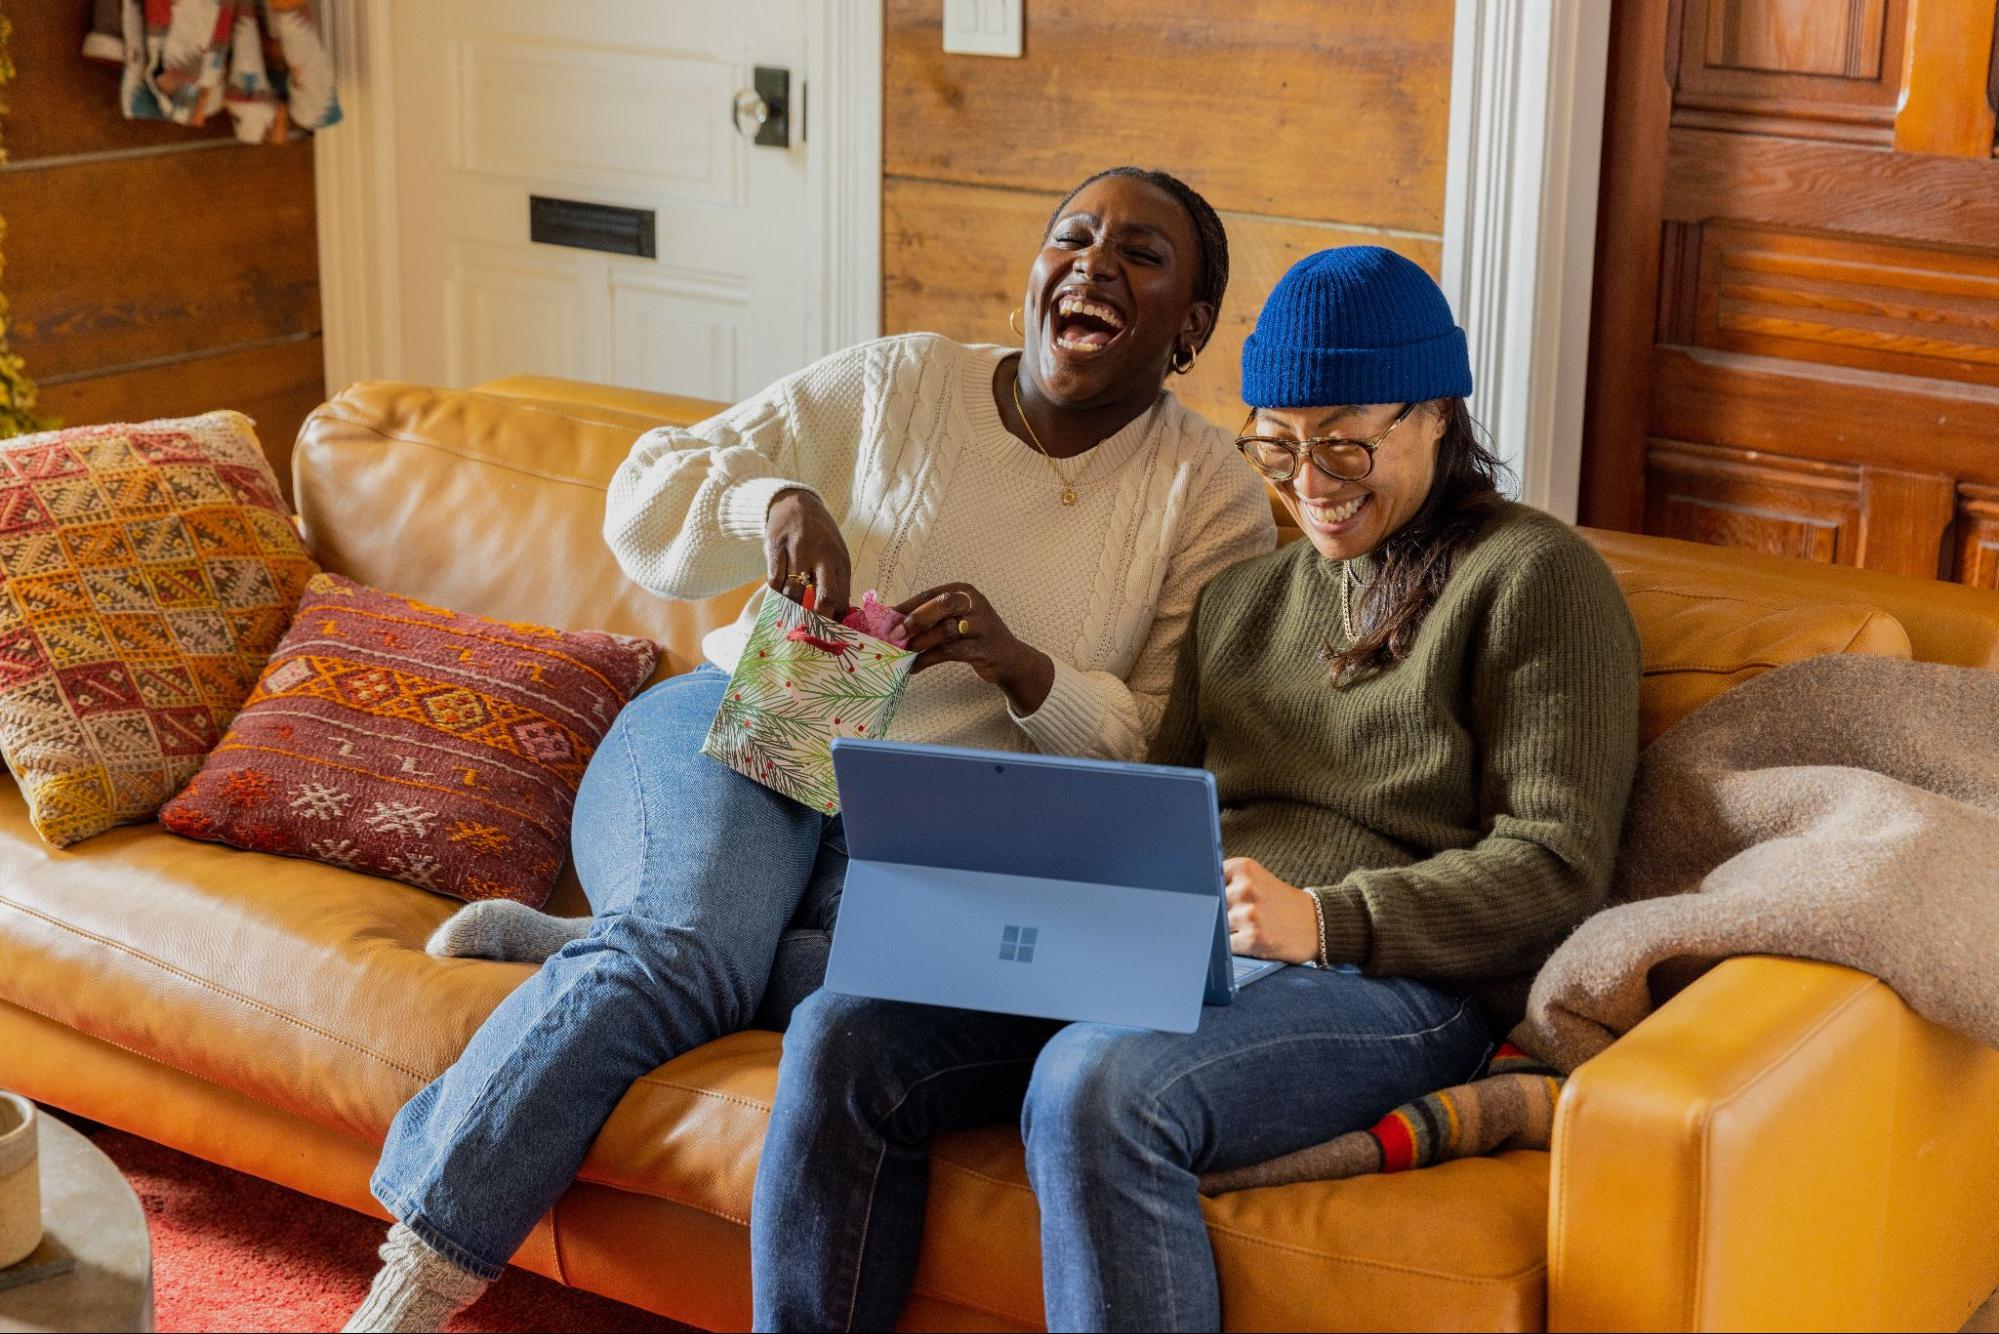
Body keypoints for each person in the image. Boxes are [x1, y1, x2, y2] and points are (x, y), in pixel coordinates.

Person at [339, 166, 1276, 1334]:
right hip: (747, 719)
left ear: (1188, 326)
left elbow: (1155, 741)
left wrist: (1023, 667)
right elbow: (646, 493)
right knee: (685, 951)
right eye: (1071, 237)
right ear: (1035, 272)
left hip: (938, 818)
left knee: (876, 999)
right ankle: (413, 1282)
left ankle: (605, 941)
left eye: (1140, 255)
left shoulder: (1214, 499)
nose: (1093, 264)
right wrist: (772, 504)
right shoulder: (901, 382)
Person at [749, 246, 1643, 1333]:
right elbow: (1157, 811)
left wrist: (1328, 917)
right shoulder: (1243, 601)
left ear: (1437, 413)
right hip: (1186, 949)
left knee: (1097, 1082)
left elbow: (1556, 863)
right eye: (1278, 445)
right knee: (845, 1024)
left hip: (1394, 978)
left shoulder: (1536, 576)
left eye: (1345, 443)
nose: (1309, 482)